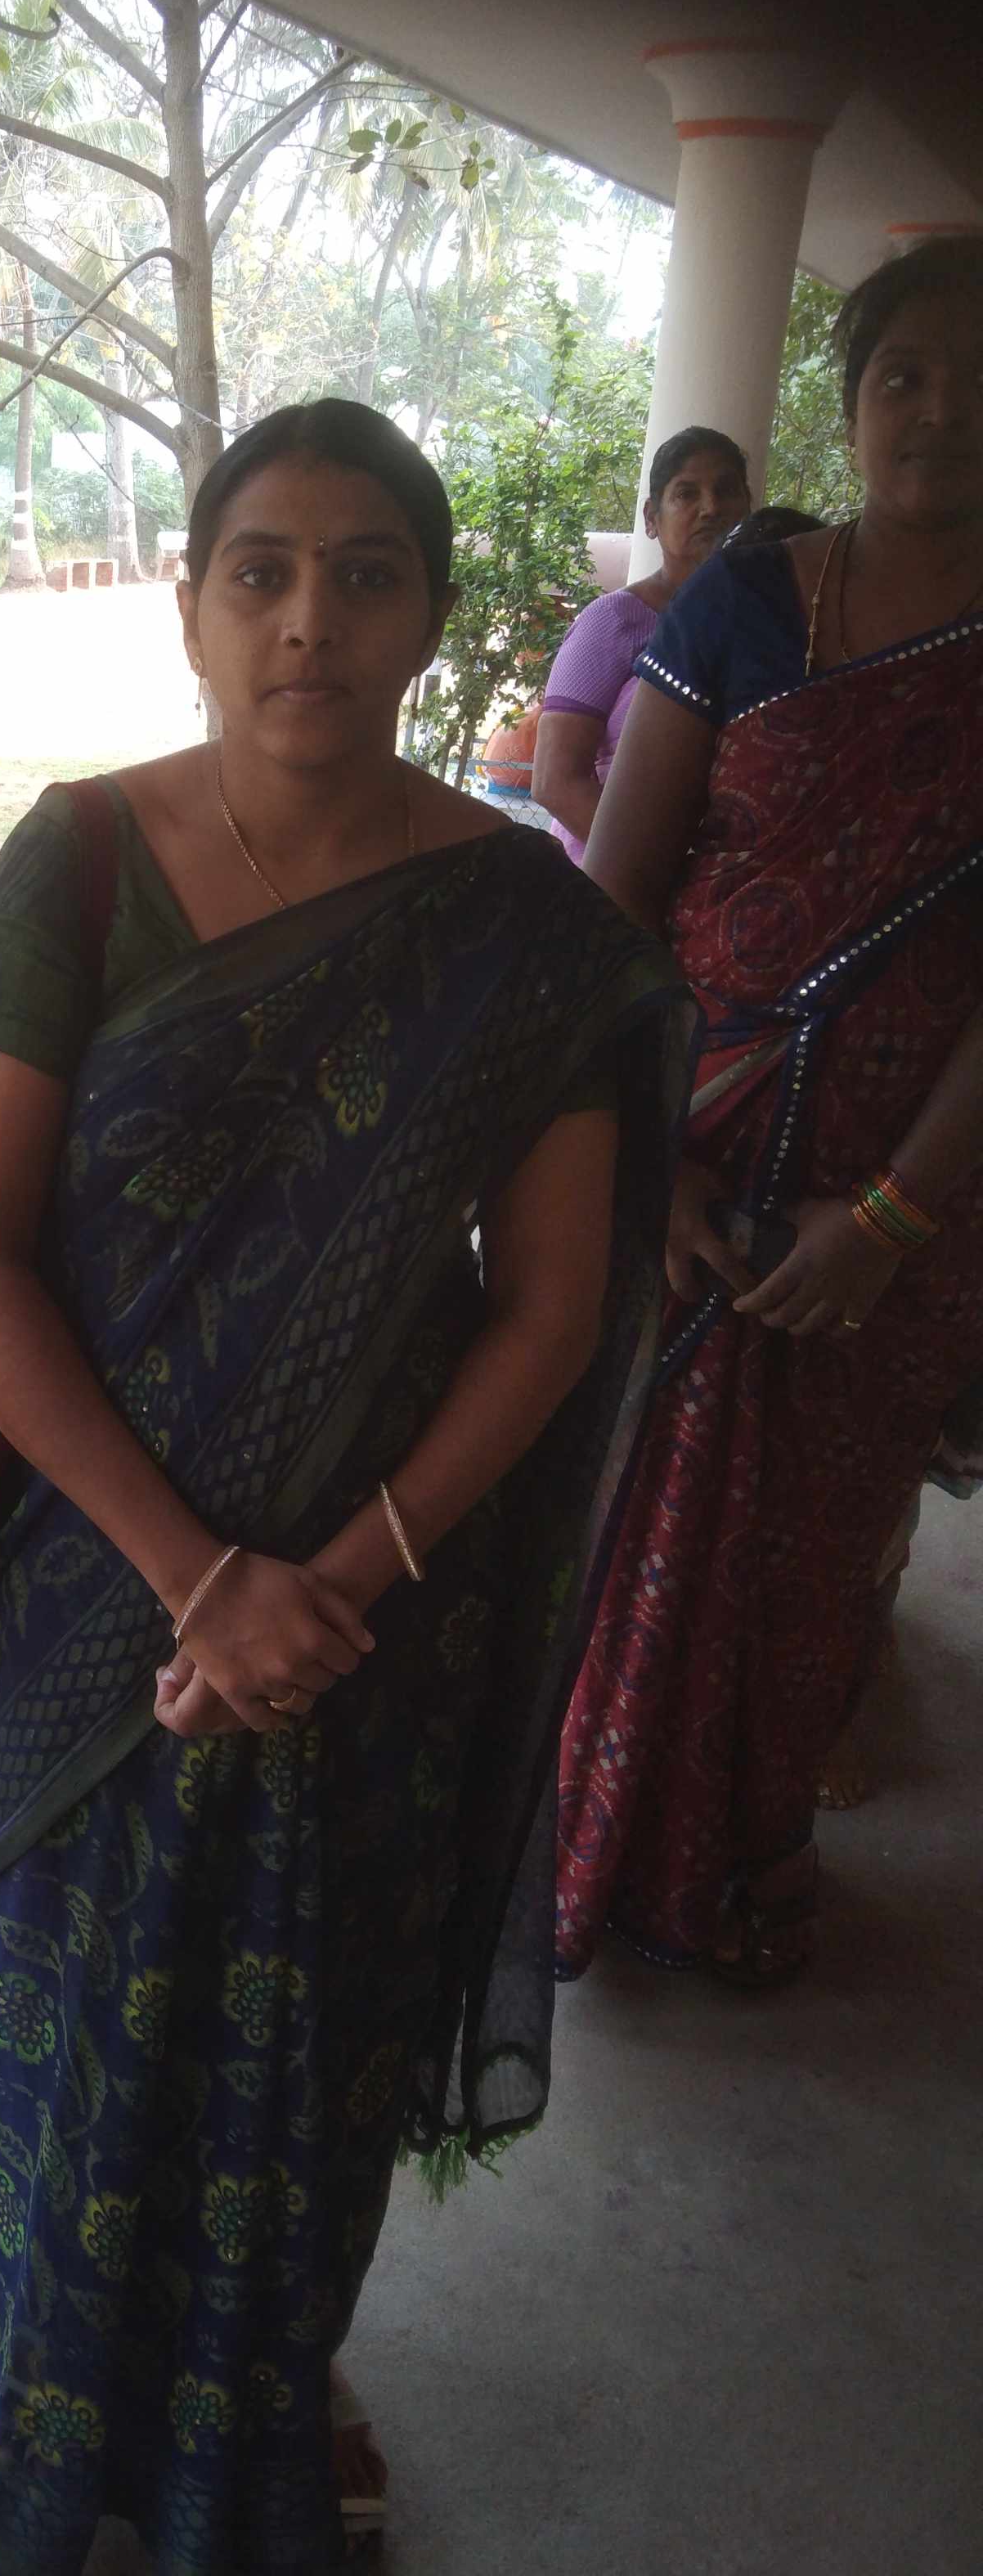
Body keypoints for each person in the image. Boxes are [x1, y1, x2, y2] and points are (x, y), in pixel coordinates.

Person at [0, 398, 691, 2574]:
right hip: (94, 1593)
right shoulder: (78, 866)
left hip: (376, 1622)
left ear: (430, 616)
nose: (308, 621)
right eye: (260, 571)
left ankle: (256, 2399)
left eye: (365, 575)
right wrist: (199, 1580)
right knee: (62, 2026)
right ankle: (44, 2428)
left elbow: (551, 1308)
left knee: (297, 2054)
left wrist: (327, 1581)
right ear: (189, 607)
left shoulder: (518, 933)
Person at [556, 236, 983, 1985]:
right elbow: (614, 901)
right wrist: (646, 1166)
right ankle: (584, 1866)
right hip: (687, 1169)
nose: (939, 411)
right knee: (617, 1537)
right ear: (850, 398)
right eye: (903, 376)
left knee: (811, 1568)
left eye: (976, 380)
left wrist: (887, 1219)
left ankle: (733, 1866)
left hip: (904, 1205)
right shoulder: (738, 606)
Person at [532, 427, 753, 865]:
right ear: (652, 518)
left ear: (748, 506)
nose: (711, 508)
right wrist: (656, 874)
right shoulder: (615, 620)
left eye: (726, 491)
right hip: (612, 884)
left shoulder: (764, 626)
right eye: (686, 494)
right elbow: (555, 781)